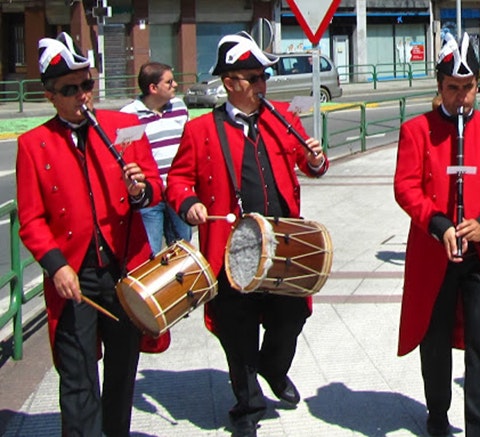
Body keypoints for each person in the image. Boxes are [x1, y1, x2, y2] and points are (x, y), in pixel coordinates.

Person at [165, 31, 328, 437]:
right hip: (231, 249)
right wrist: (189, 204)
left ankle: (273, 368)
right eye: (253, 78)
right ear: (230, 83)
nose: (262, 86)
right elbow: (178, 182)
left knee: (290, 318)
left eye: (263, 78)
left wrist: (316, 160)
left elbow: (308, 166)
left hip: (283, 246)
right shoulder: (202, 131)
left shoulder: (280, 120)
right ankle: (248, 403)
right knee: (236, 331)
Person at [16, 32, 167, 436]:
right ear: (50, 95)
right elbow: (30, 221)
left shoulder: (123, 126)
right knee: (78, 374)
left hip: (122, 270)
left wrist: (141, 191)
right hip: (73, 276)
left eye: (87, 85)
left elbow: (154, 185)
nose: (83, 96)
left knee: (122, 371)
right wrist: (55, 266)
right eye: (71, 90)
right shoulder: (34, 144)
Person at [394, 32, 480, 436]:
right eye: (453, 88)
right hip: (436, 251)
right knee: (434, 340)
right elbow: (406, 187)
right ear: (439, 85)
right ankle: (437, 413)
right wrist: (438, 223)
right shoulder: (417, 129)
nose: (462, 97)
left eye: (468, 88)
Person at [121, 61, 191, 254]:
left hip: (177, 192)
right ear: (153, 88)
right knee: (148, 252)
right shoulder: (129, 116)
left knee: (184, 252)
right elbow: (125, 156)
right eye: (169, 82)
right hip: (150, 197)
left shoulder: (178, 106)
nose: (175, 85)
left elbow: (189, 146)